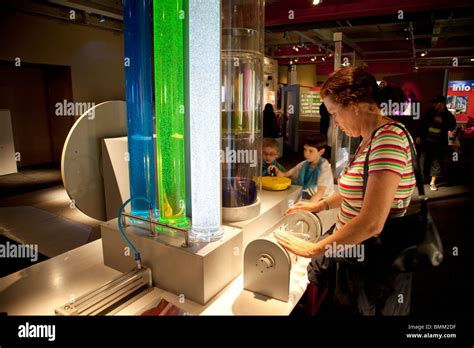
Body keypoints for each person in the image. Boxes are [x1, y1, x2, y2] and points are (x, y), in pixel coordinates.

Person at [274, 67, 417, 316]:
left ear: (353, 104)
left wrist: (314, 249)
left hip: (372, 264)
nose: (335, 122)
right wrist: (320, 205)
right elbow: (360, 190)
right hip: (354, 254)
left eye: (334, 113)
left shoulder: (388, 140)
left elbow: (372, 223)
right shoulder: (370, 138)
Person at [269, 134, 334, 202]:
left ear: (321, 152)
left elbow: (320, 192)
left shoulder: (324, 167)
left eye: (310, 151)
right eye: (305, 150)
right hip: (307, 194)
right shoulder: (304, 164)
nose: (306, 154)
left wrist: (306, 207)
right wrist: (276, 170)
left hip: (322, 200)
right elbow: (285, 175)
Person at [416, 95, 456, 190]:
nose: (433, 104)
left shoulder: (448, 115)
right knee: (422, 160)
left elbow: (451, 126)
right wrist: (418, 136)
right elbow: (422, 124)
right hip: (426, 141)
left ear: (441, 103)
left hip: (439, 143)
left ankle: (432, 183)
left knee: (436, 162)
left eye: (435, 103)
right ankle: (420, 180)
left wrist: (442, 122)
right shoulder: (430, 112)